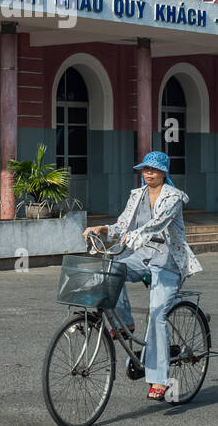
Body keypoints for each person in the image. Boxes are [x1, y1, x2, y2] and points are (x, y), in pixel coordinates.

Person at [82, 150, 202, 401]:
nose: (148, 173)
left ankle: (159, 379)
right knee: (113, 266)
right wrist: (103, 228)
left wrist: (133, 237)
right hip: (143, 255)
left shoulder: (173, 197)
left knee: (157, 314)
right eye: (145, 169)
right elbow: (123, 226)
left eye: (154, 169)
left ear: (164, 172)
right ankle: (124, 322)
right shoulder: (136, 196)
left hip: (168, 260)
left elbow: (155, 225)